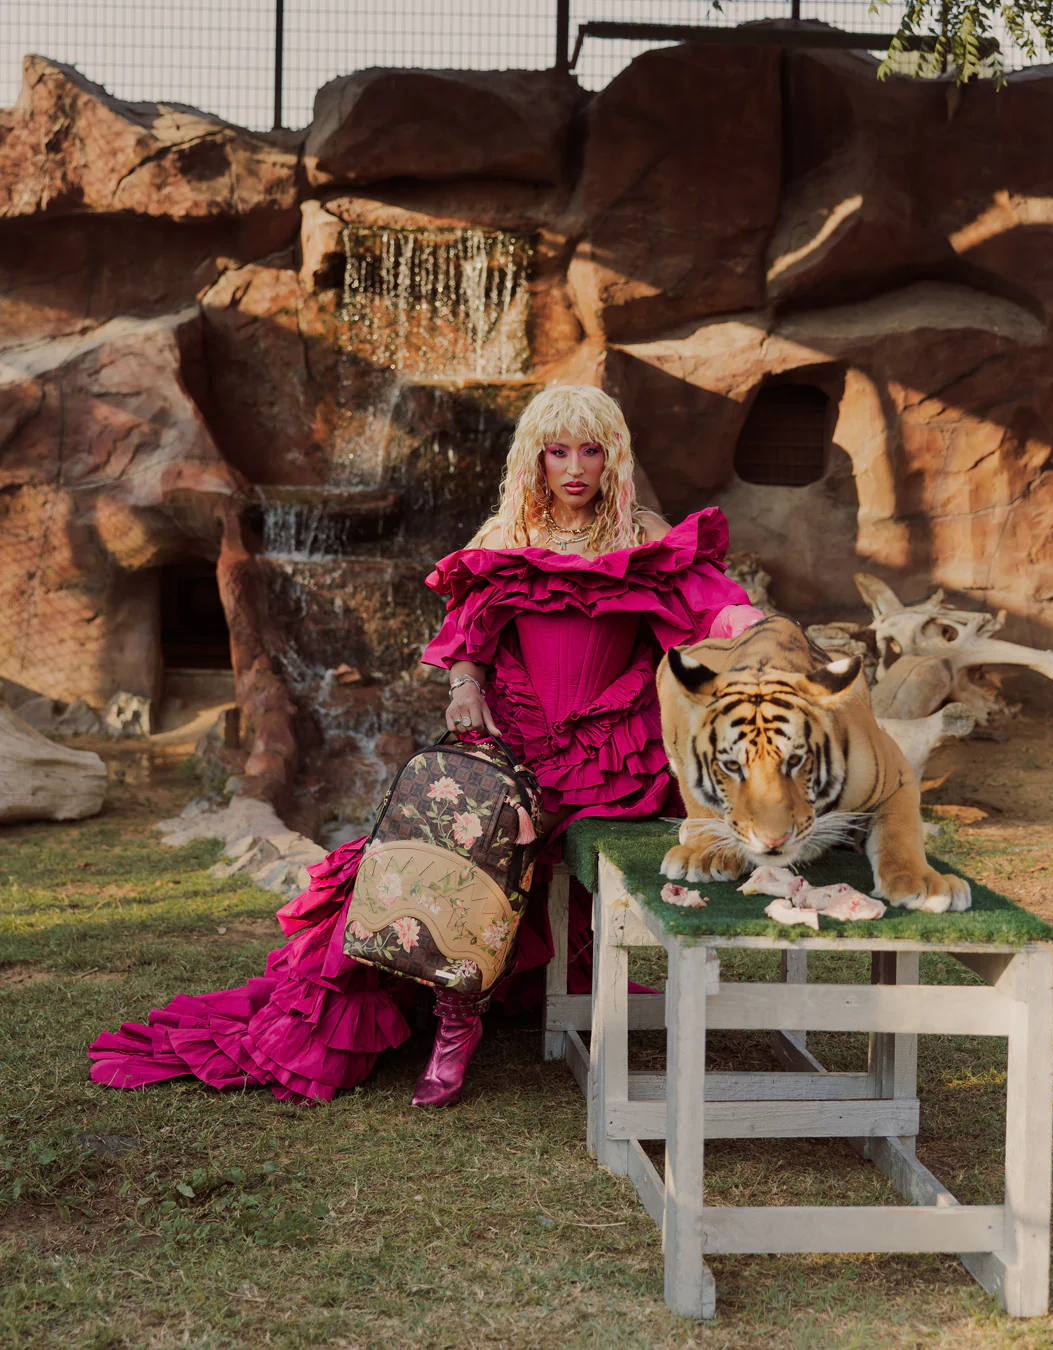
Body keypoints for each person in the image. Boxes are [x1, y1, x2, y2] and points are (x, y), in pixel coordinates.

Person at [88, 386, 761, 1107]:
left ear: (612, 456)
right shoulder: (506, 535)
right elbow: (471, 641)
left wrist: (763, 634)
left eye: (590, 451)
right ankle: (454, 1022)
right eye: (558, 451)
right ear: (536, 458)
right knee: (443, 846)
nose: (574, 468)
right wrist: (464, 686)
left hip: (607, 751)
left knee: (522, 846)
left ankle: (501, 998)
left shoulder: (642, 533)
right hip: (515, 740)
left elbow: (717, 609)